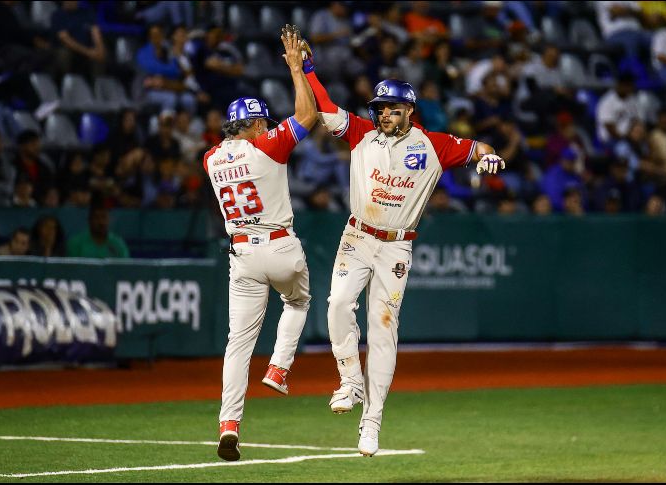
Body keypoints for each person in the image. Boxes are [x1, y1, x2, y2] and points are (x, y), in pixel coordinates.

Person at [297, 26, 506, 457]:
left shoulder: (433, 145)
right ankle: (350, 381)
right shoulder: (361, 133)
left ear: (409, 109)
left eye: (390, 108)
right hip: (357, 235)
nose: (383, 115)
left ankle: (372, 422)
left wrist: (489, 157)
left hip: (396, 245)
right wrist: (308, 70)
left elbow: (478, 148)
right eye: (379, 108)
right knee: (337, 304)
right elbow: (325, 109)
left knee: (383, 330)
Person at [202, 27, 318, 463]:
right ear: (253, 125)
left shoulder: (211, 158)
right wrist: (296, 68)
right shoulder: (267, 146)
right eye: (263, 122)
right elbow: (307, 114)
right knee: (298, 302)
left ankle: (229, 423)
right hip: (280, 245)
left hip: (243, 254)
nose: (267, 127)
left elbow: (230, 149)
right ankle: (279, 368)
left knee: (237, 343)